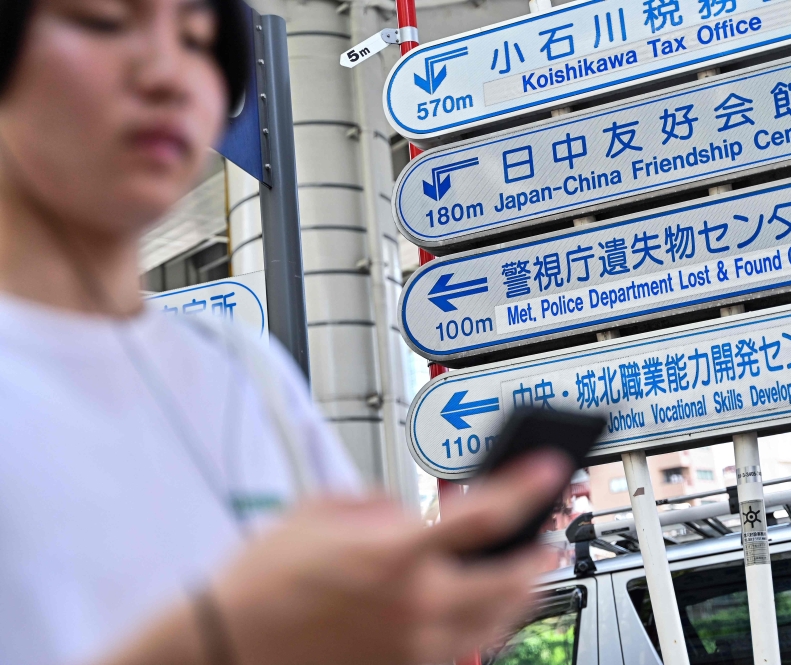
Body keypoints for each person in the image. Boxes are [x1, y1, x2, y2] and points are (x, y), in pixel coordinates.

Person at [0, 0, 572, 662]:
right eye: (102, 20)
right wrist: (222, 635)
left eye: (198, 40)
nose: (170, 73)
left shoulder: (244, 370)